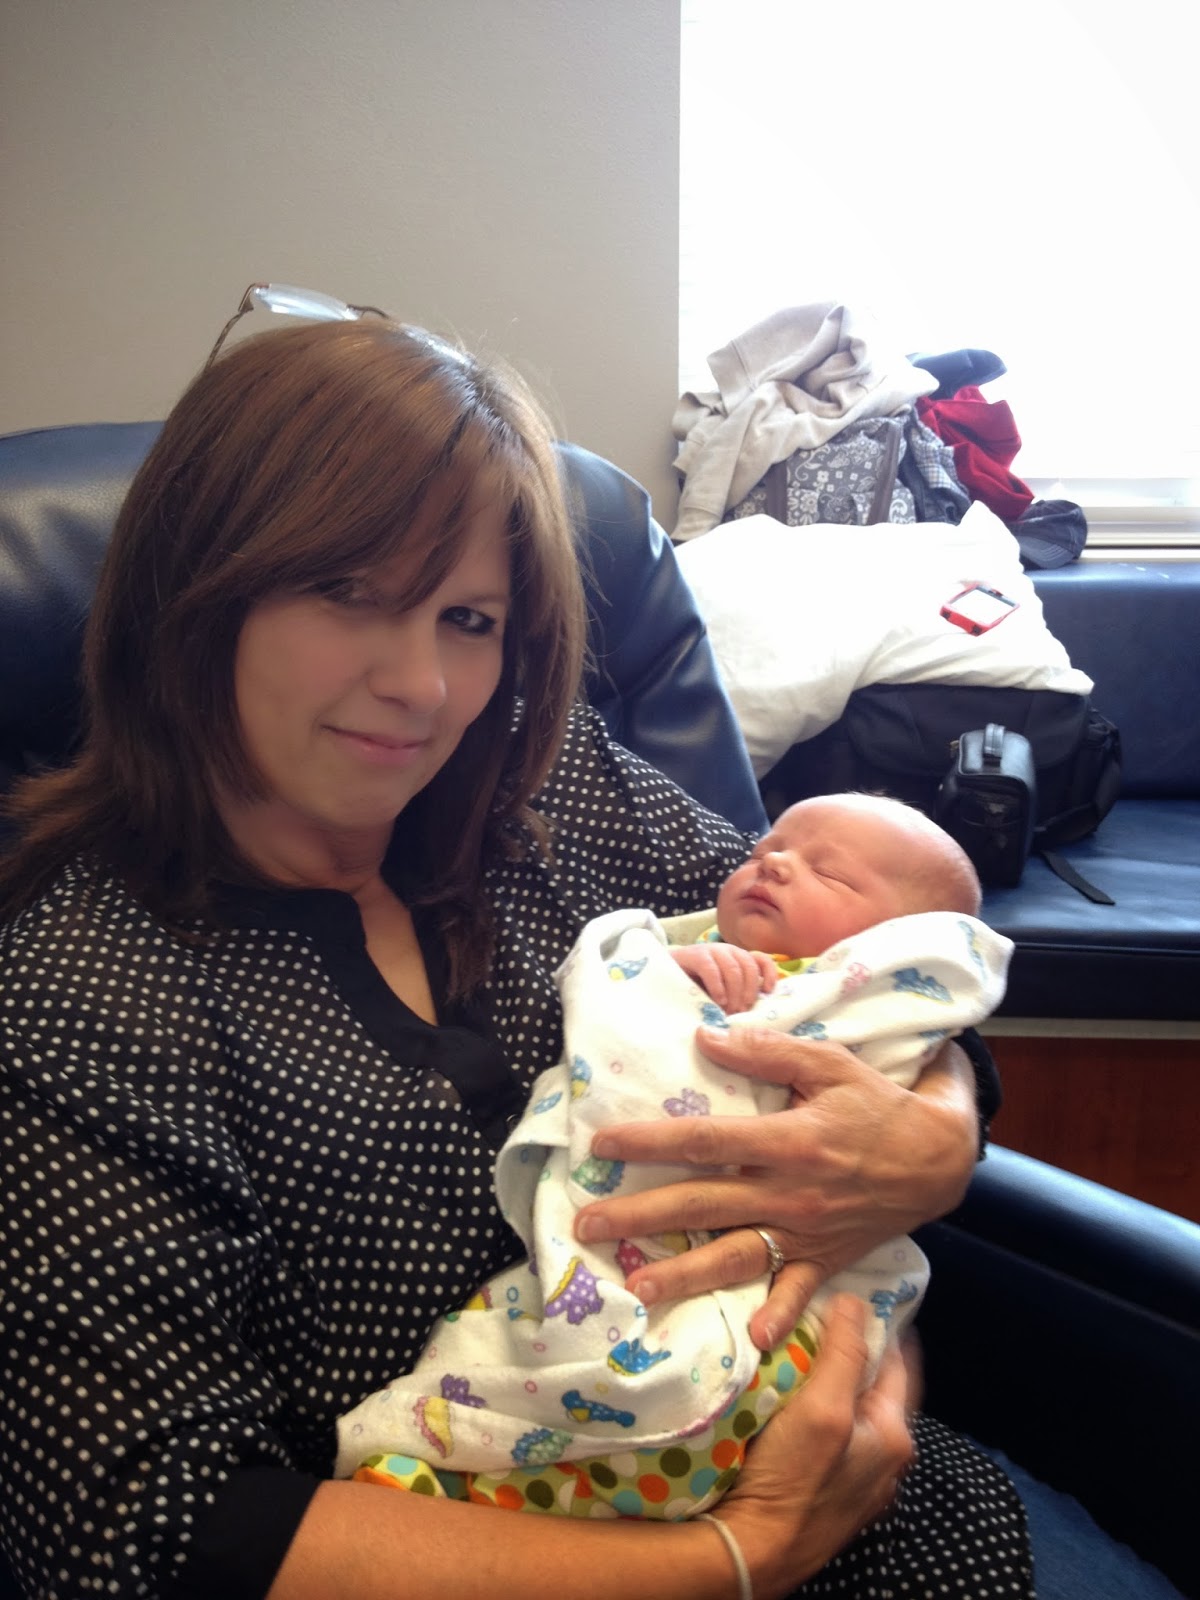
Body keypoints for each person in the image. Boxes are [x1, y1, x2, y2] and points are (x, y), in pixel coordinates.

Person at [0, 315, 1034, 1600]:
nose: (423, 685)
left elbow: (874, 961)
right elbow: (146, 1527)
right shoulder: (79, 997)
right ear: (193, 591)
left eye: (468, 617)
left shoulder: (555, 793)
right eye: (348, 592)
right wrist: (739, 1555)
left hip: (885, 1503)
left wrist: (936, 1132)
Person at [335, 794, 1012, 1518]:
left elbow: (931, 1020)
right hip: (612, 1238)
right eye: (764, 851)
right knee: (539, 1357)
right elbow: (620, 969)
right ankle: (457, 1478)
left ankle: (543, 1486)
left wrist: (940, 1126)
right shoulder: (700, 944)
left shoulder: (861, 989)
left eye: (830, 874)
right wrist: (670, 968)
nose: (772, 863)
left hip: (797, 1319)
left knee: (746, 1384)